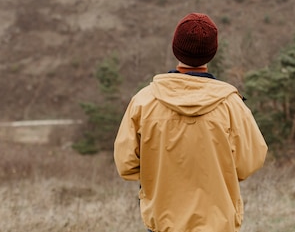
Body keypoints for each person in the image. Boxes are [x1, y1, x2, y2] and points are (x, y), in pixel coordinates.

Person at [114, 12, 268, 232]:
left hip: (162, 222)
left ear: (175, 47)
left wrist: (160, 171)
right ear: (212, 52)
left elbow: (126, 165)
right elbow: (250, 161)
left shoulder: (143, 102)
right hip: (218, 222)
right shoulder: (231, 105)